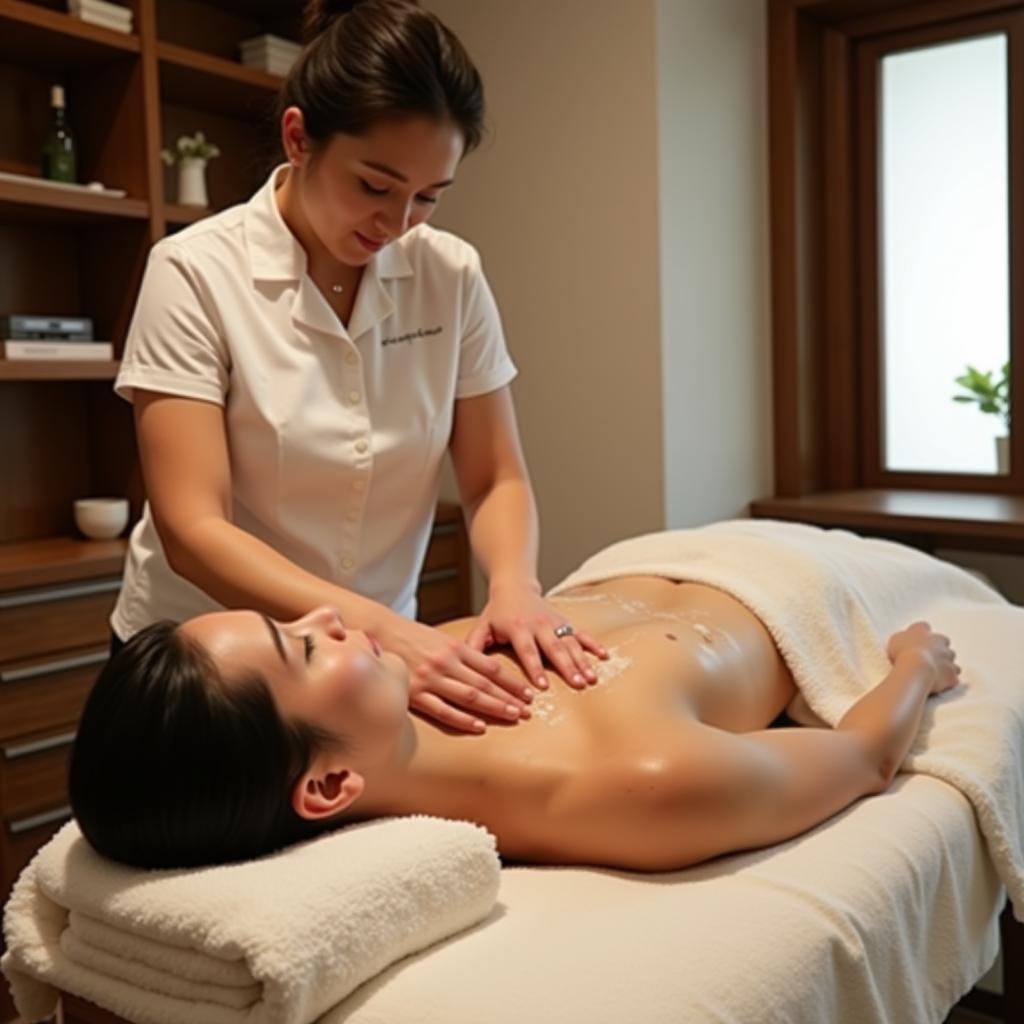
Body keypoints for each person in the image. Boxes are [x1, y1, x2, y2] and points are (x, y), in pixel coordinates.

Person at [110, 0, 606, 735]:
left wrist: (515, 587)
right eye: (375, 186)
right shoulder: (194, 273)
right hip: (211, 663)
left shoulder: (451, 274)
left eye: (428, 198)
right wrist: (382, 628)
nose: (397, 224)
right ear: (299, 137)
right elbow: (192, 529)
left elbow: (494, 475)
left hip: (366, 661)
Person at [69, 567, 962, 871]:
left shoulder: (409, 676)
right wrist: (917, 665)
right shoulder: (639, 785)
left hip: (650, 554)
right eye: (302, 648)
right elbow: (859, 758)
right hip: (800, 577)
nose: (332, 615)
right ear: (329, 784)